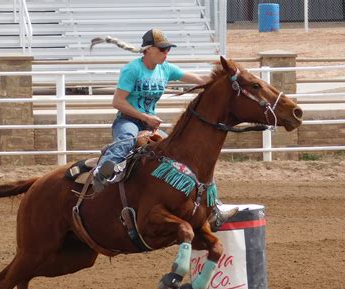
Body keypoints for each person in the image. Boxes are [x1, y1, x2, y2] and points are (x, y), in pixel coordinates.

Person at [90, 29, 237, 230]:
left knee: (184, 155)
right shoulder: (132, 70)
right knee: (126, 141)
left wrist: (222, 80)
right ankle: (102, 174)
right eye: (162, 49)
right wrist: (145, 117)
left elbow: (199, 80)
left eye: (168, 49)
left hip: (150, 124)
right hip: (129, 120)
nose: (166, 53)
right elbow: (118, 101)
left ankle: (214, 206)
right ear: (148, 50)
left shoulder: (165, 69)